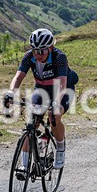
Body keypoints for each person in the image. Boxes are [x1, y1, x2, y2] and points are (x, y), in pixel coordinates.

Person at [5, 28, 78, 169]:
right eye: (34, 50)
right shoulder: (28, 57)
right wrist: (10, 92)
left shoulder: (59, 57)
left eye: (41, 51)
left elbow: (62, 84)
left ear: (50, 47)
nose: (37, 54)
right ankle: (25, 166)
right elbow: (18, 76)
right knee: (31, 122)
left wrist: (56, 103)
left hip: (63, 88)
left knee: (54, 116)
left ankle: (60, 148)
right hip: (42, 89)